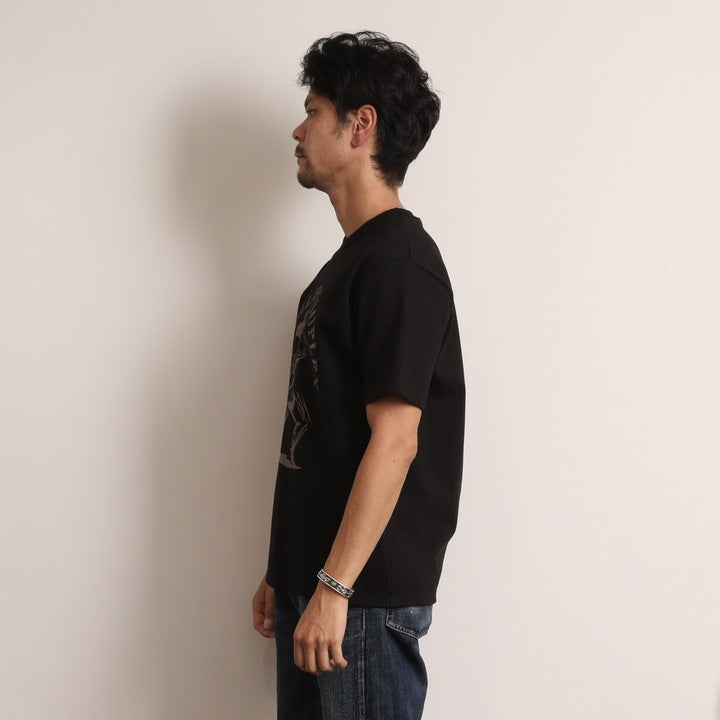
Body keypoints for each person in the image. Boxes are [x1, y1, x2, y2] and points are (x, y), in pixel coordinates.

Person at [252, 30, 465, 720]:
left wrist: (335, 588)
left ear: (360, 124)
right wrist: (284, 569)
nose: (299, 129)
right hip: (318, 587)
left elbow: (396, 441)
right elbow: (321, 430)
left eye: (313, 111)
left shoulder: (399, 264)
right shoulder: (347, 267)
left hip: (358, 601)